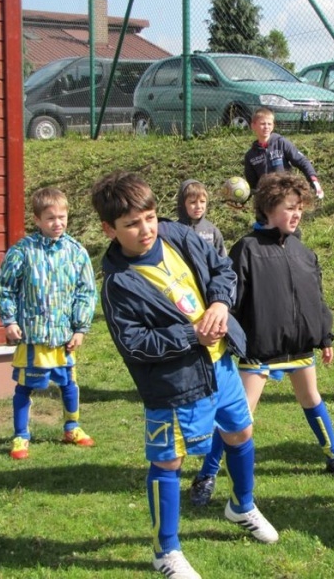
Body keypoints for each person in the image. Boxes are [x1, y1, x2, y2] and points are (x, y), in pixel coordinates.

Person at [91, 171, 278, 578]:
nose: (145, 230)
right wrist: (191, 333)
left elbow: (222, 271)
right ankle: (165, 551)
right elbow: (136, 344)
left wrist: (220, 305)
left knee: (241, 433)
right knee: (168, 462)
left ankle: (241, 506)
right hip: (175, 384)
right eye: (132, 224)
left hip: (222, 362)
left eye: (150, 217)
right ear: (110, 229)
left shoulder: (178, 235)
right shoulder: (118, 284)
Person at [189, 172, 334, 507]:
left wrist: (325, 335)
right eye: (289, 207)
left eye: (300, 207)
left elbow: (316, 297)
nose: (296, 214)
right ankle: (207, 475)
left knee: (312, 399)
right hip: (260, 350)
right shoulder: (247, 249)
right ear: (269, 209)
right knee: (238, 418)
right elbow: (230, 297)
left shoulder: (303, 252)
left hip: (298, 347)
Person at [0, 187, 97, 460]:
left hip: (63, 337)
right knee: (25, 387)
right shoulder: (22, 252)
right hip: (32, 337)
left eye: (62, 217)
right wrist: (9, 321)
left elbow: (86, 292)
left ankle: (71, 427)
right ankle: (20, 436)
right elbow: (3, 288)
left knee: (69, 384)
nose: (57, 223)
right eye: (50, 218)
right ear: (37, 220)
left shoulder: (76, 252)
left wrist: (80, 328)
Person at [243, 107, 324, 199]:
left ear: (273, 126)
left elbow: (302, 161)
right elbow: (253, 186)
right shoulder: (250, 156)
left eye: (269, 124)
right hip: (267, 198)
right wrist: (244, 197)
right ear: (253, 126)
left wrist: (314, 181)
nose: (266, 127)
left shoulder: (281, 143)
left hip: (286, 193)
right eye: (262, 124)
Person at [176, 179, 227, 257]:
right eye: (193, 202)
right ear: (183, 204)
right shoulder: (175, 231)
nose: (198, 206)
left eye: (202, 201)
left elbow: (222, 261)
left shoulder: (212, 231)